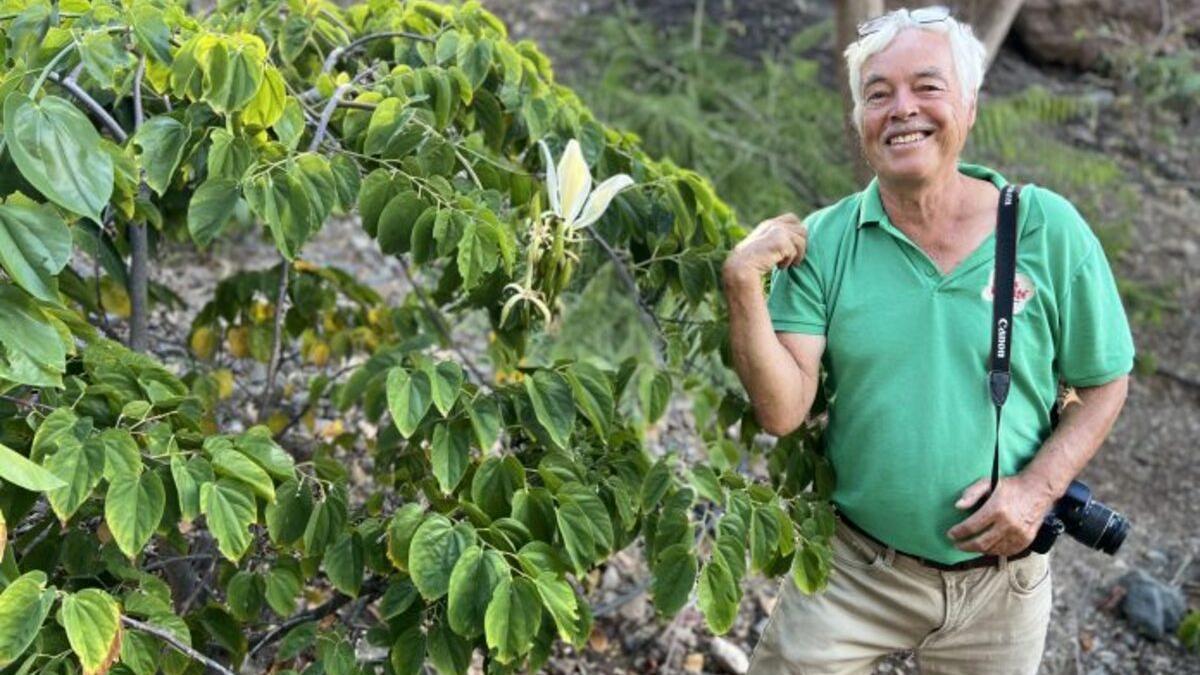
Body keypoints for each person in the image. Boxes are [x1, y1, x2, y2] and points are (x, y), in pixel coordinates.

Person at [721, 6, 1135, 674]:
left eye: (927, 86)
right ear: (859, 121)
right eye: (877, 94)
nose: (901, 109)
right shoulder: (826, 241)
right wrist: (742, 282)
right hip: (854, 572)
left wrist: (1035, 489)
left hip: (1003, 588)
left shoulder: (1045, 230)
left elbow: (1105, 380)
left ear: (969, 104)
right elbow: (783, 408)